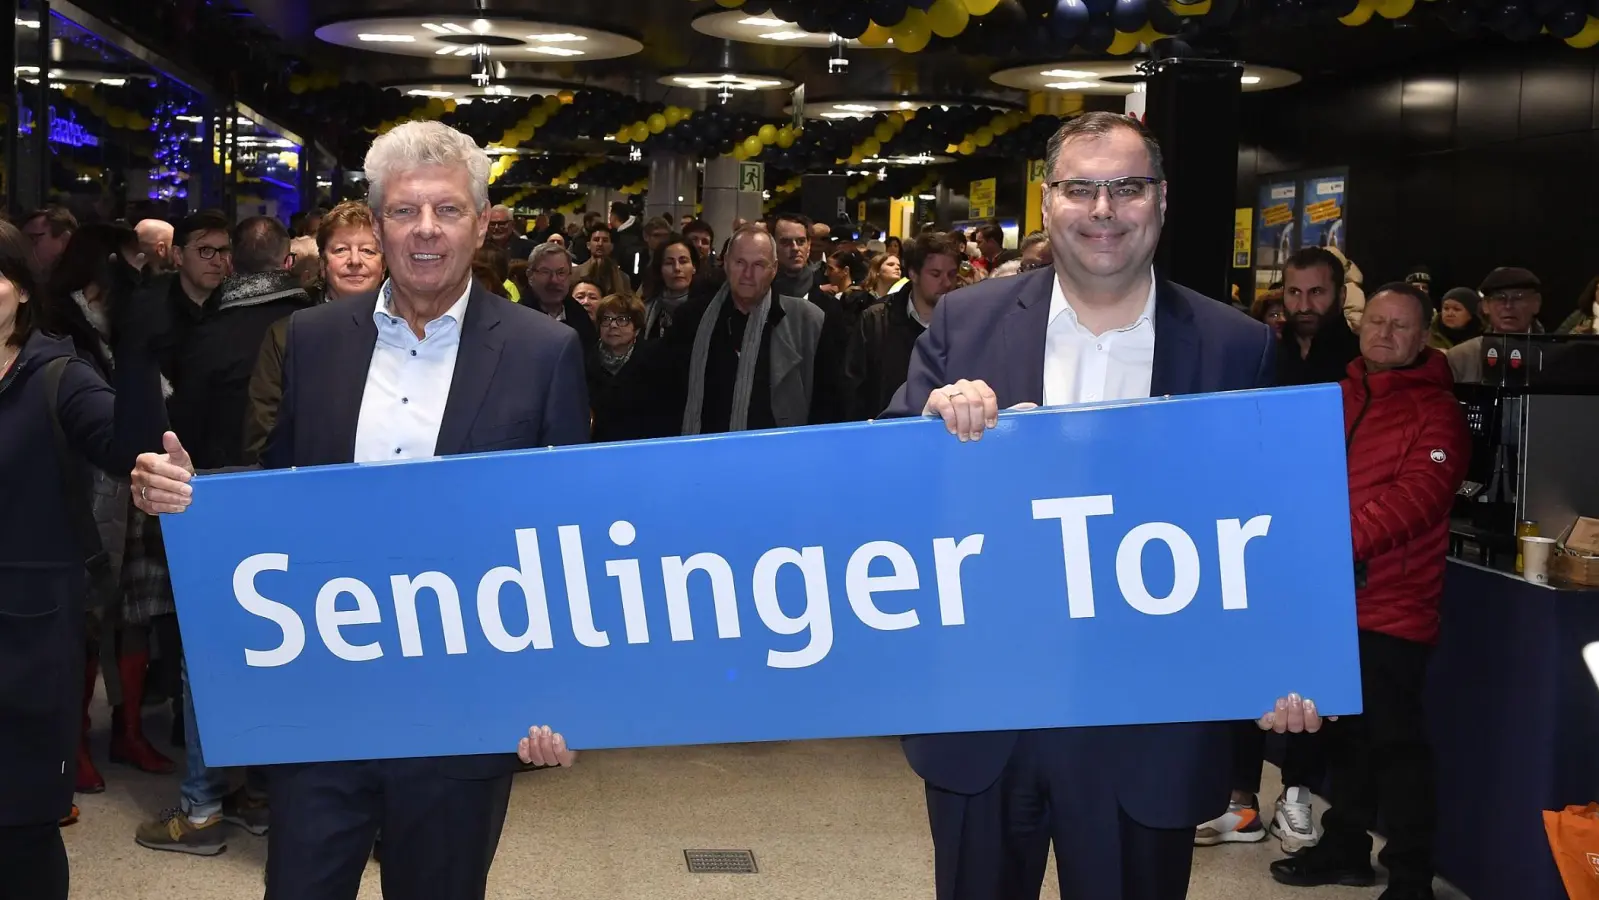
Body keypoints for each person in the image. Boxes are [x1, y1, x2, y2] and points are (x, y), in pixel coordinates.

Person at [130, 119, 582, 900]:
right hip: (324, 695)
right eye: (404, 211)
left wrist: (562, 698)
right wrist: (192, 495)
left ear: (481, 223)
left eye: (447, 209)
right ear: (377, 225)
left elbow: (565, 532)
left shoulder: (544, 352)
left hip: (460, 706)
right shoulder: (313, 338)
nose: (426, 229)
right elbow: (281, 489)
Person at [880, 111, 1317, 900]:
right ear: (1048, 202)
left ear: (1161, 199)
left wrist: (1290, 661)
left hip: (1146, 723)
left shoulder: (1235, 347)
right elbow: (880, 489)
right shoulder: (966, 323)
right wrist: (927, 426)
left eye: (1127, 187)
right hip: (987, 714)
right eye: (1079, 188)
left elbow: (1272, 525)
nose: (1103, 209)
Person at [1270, 284, 1467, 900]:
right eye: (1377, 321)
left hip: (1393, 603)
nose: (1385, 334)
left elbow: (1417, 498)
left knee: (1395, 746)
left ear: (1424, 336)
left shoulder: (1437, 412)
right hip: (1331, 601)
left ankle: (1411, 878)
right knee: (1343, 737)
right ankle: (1346, 847)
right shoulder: (1339, 394)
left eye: (1400, 326)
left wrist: (1329, 544)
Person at [0, 218, 166, 900]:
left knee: (20, 829)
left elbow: (126, 446)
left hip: (26, 646)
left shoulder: (57, 375)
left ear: (20, 288)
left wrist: (139, 353)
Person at [44, 224, 179, 799]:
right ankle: (73, 742)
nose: (140, 270)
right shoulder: (58, 328)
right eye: (131, 260)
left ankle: (128, 732)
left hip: (138, 485)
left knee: (136, 613)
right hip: (86, 488)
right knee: (88, 617)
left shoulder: (131, 322)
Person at [666, 226, 847, 434]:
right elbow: (670, 394)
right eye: (740, 262)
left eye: (759, 265)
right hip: (705, 447)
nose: (748, 274)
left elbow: (829, 404)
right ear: (726, 263)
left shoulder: (808, 322)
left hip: (781, 449)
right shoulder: (692, 319)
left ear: (774, 268)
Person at [242, 202, 384, 465]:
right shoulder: (287, 334)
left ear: (384, 264)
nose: (355, 261)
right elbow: (263, 435)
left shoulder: (407, 330)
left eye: (368, 250)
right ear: (323, 264)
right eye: (341, 250)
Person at [846, 231, 963, 421]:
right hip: (887, 428)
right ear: (913, 274)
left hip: (949, 430)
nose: (947, 282)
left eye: (952, 274)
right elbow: (854, 388)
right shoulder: (876, 319)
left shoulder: (966, 320)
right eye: (935, 274)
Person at [588, 293, 673, 442]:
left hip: (644, 443)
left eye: (622, 320)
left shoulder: (656, 359)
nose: (613, 325)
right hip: (598, 445)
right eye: (606, 319)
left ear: (637, 328)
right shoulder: (586, 360)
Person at [1277, 247, 1362, 386]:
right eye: (1294, 292)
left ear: (1342, 295)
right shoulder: (1265, 356)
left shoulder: (1364, 362)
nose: (1304, 307)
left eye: (1316, 292)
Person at [1446, 267, 1542, 384]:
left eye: (1518, 297)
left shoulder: (1554, 356)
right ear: (1485, 306)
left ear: (1536, 303)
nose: (1508, 306)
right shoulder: (1461, 357)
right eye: (1499, 298)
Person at [639, 231, 703, 341]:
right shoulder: (647, 307)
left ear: (694, 267)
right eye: (669, 263)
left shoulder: (707, 307)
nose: (677, 268)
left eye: (683, 261)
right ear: (660, 270)